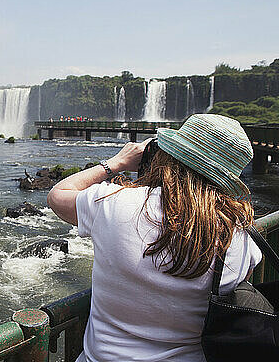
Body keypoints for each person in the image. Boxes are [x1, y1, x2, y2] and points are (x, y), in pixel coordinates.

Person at [47, 114, 261, 362]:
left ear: (169, 155)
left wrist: (115, 163)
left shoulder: (114, 203)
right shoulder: (241, 237)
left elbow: (57, 195)